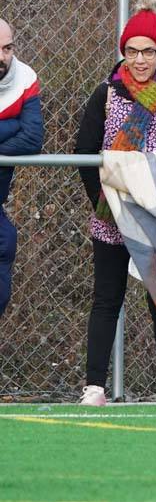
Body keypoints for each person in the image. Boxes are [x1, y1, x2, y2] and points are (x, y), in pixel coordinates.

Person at [75, 0, 156, 405]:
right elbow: (84, 151)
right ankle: (94, 386)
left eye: (148, 51)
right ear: (123, 52)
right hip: (112, 218)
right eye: (131, 51)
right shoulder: (107, 94)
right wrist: (107, 204)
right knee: (106, 298)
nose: (139, 60)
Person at [0, 19, 44, 320]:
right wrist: (11, 126)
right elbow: (21, 131)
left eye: (7, 48)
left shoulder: (24, 77)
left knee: (6, 240)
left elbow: (32, 138)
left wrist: (17, 127)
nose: (2, 57)